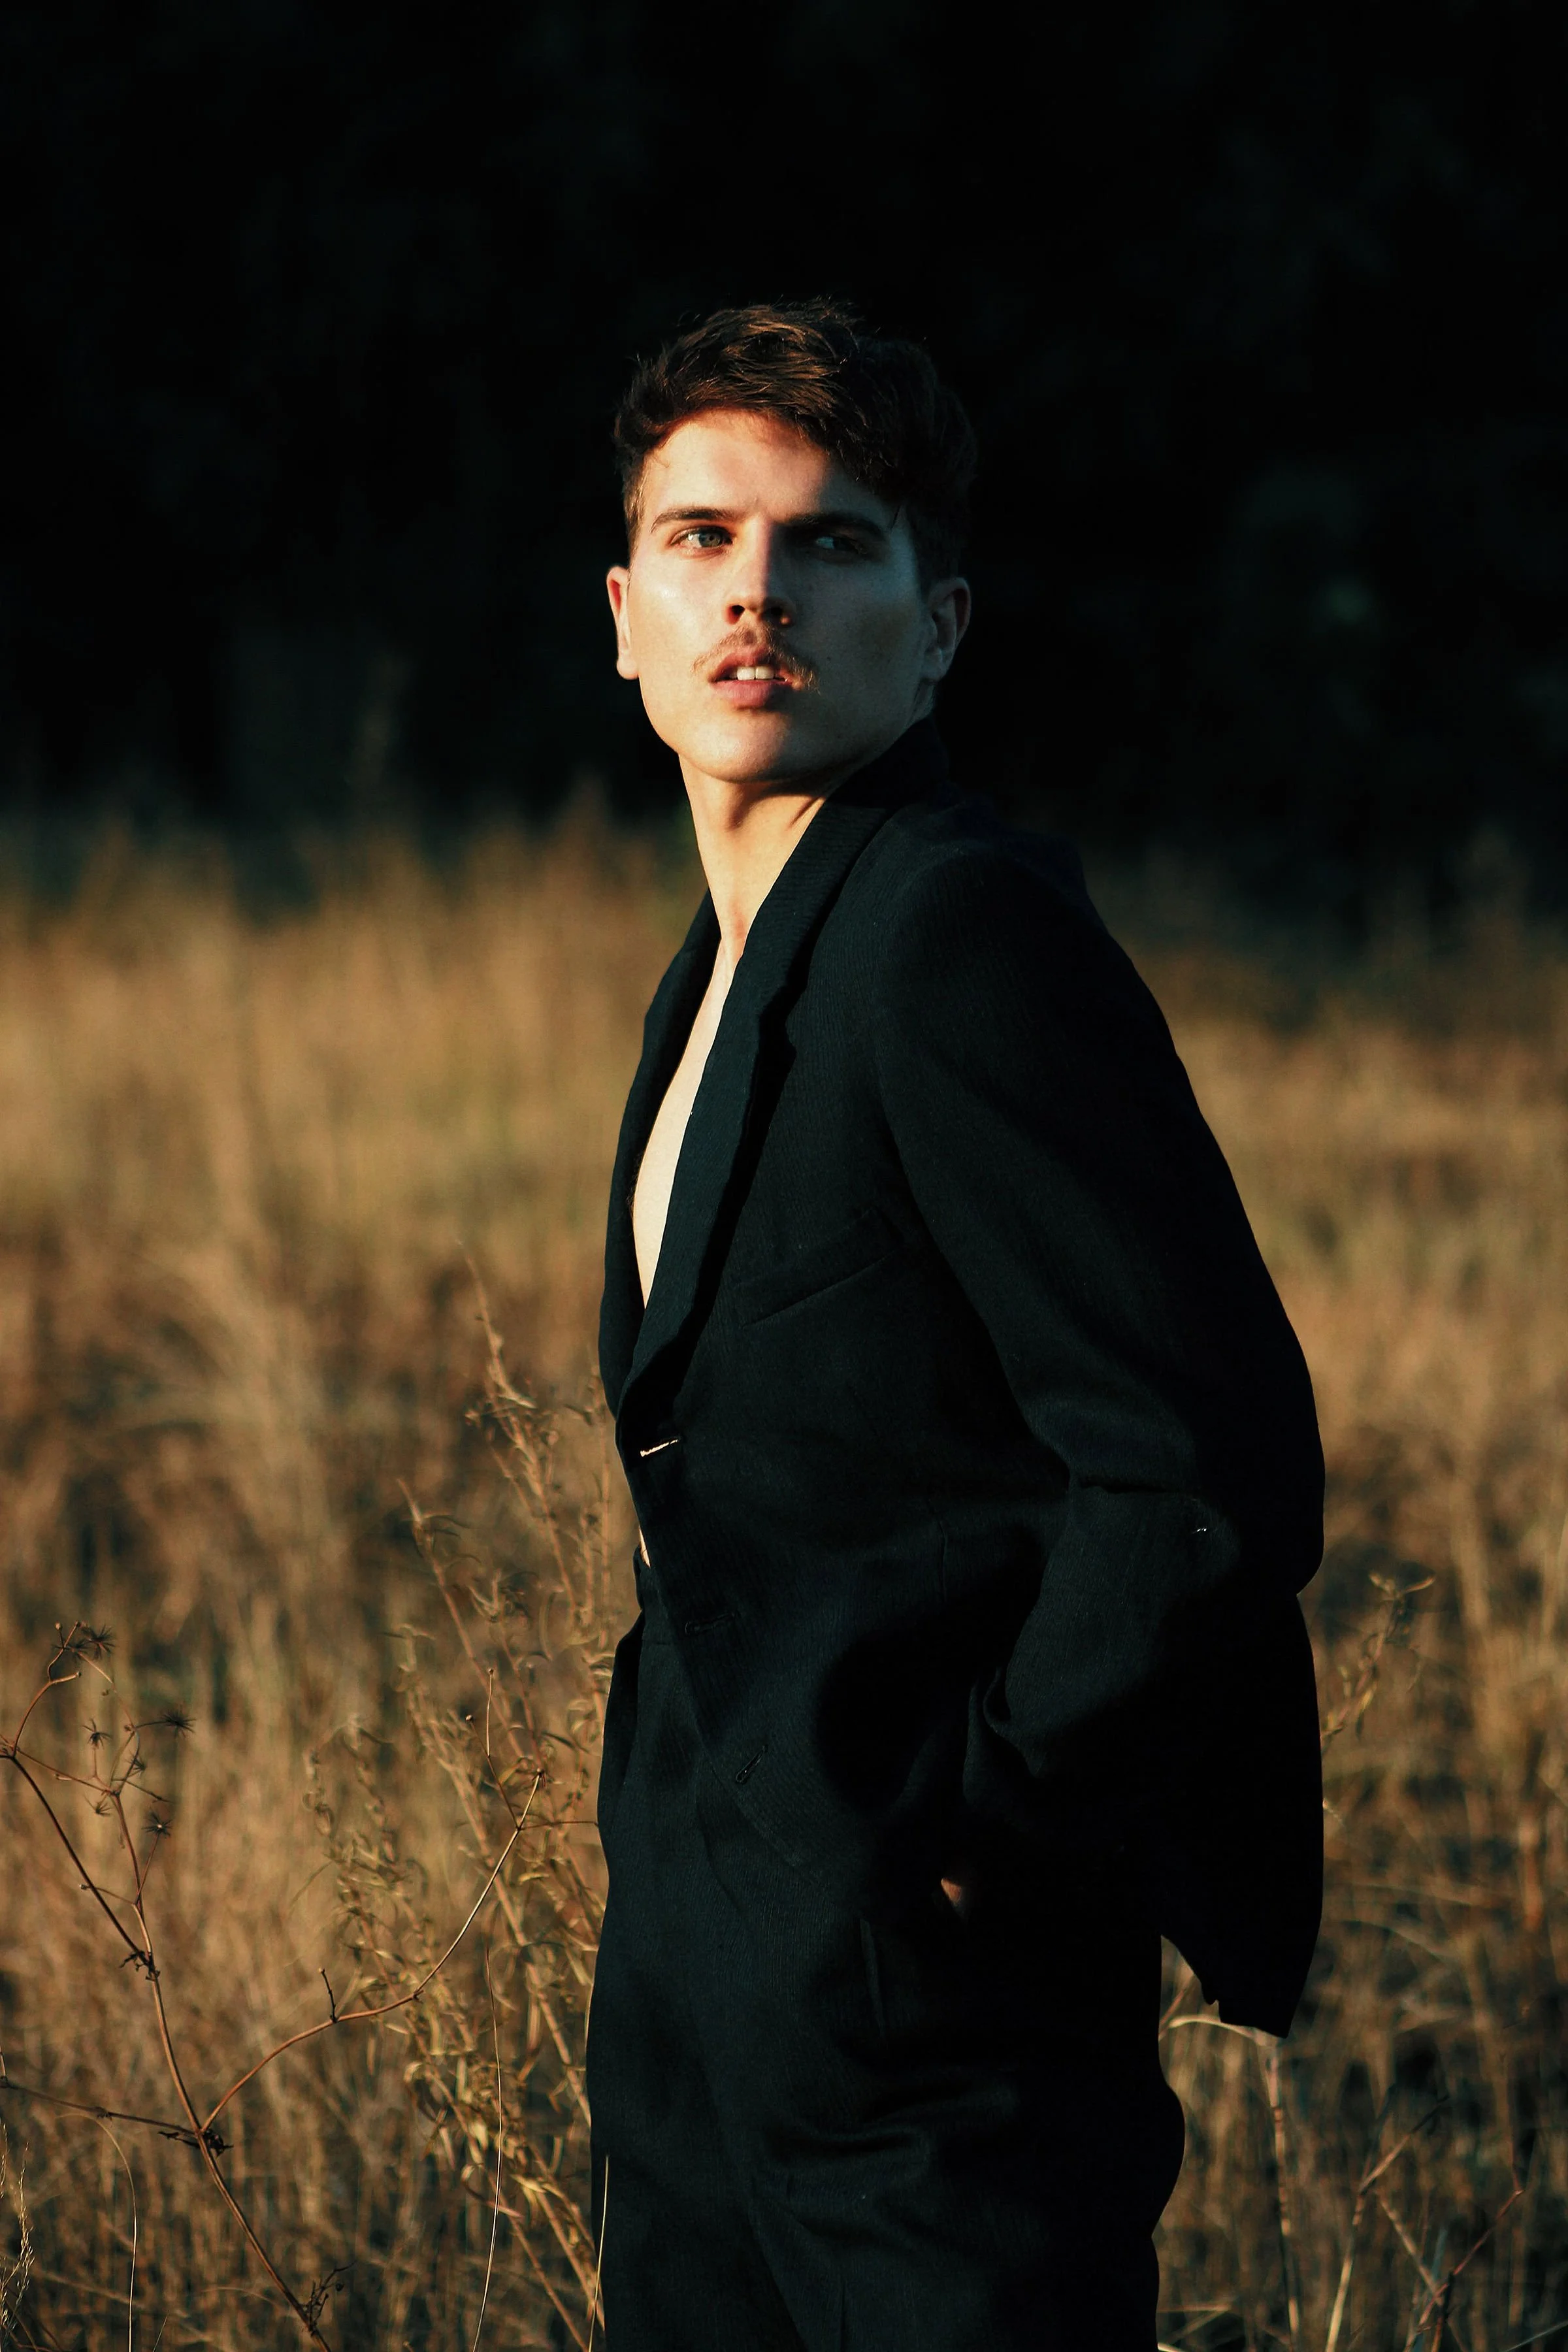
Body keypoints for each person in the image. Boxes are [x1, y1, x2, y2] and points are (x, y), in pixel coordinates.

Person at [586, 301, 1323, 2352]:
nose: (759, 590)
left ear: (941, 622)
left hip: (926, 2000)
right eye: (706, 538)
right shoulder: (718, 970)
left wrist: (982, 1839)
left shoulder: (956, 931)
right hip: (702, 1985)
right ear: (626, 611)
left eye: (832, 545)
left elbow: (1202, 1470)